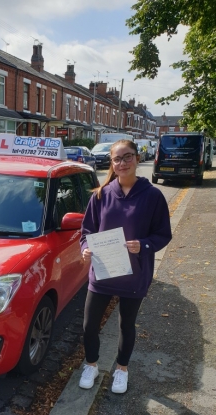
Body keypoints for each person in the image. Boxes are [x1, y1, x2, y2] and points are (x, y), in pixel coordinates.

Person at [79, 139, 172, 393]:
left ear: (137, 158)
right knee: (89, 325)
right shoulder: (101, 195)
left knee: (126, 324)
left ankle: (122, 369)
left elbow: (163, 234)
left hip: (134, 273)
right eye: (117, 159)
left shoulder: (153, 196)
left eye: (127, 157)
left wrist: (143, 245)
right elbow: (86, 231)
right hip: (103, 270)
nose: (122, 163)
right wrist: (85, 248)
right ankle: (91, 364)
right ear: (112, 163)